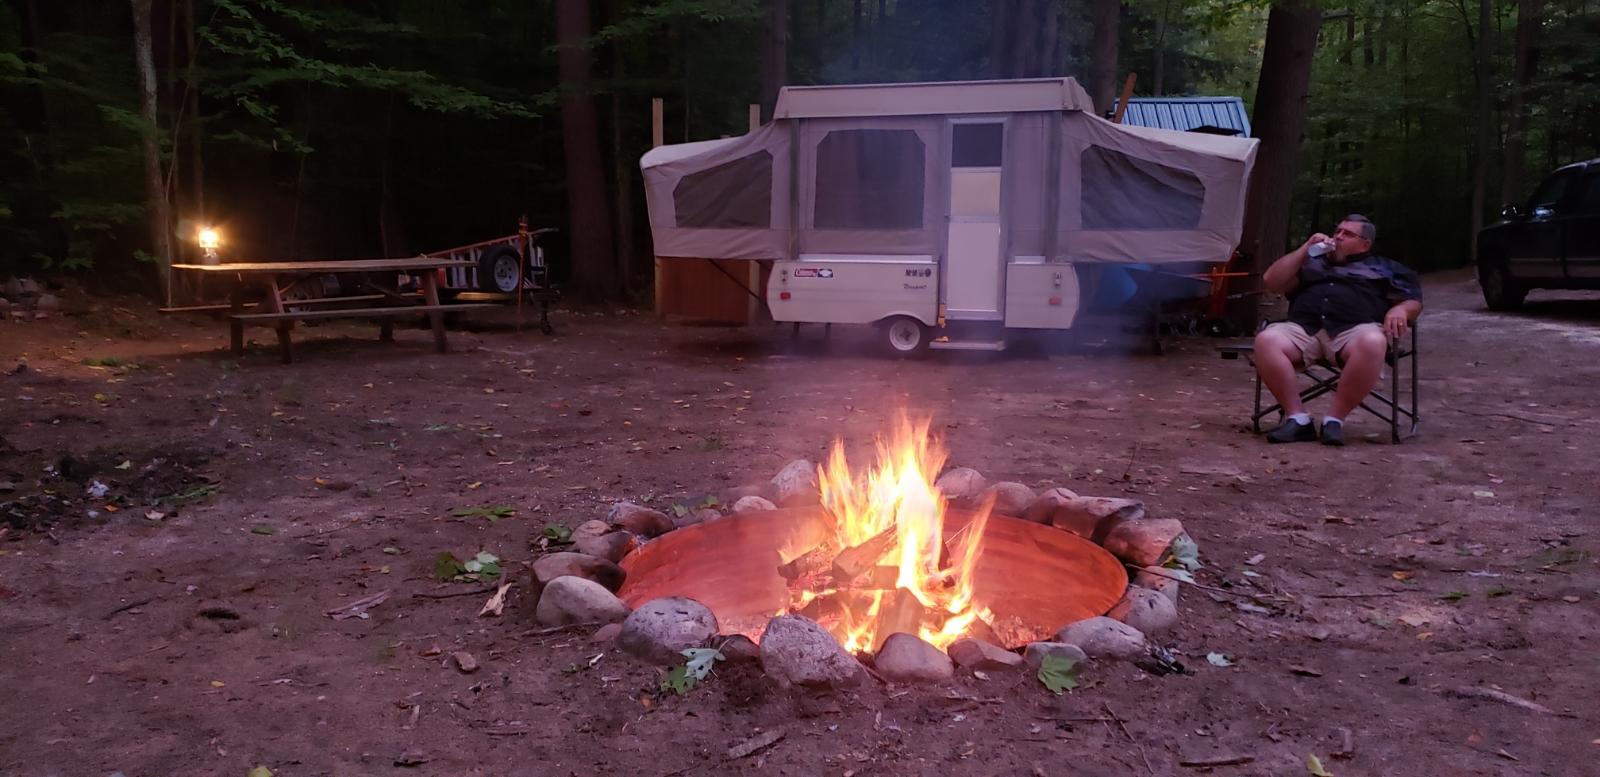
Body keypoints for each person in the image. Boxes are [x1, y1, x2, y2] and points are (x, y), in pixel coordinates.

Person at [1254, 214, 1423, 446]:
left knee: (1374, 341)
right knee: (1267, 339)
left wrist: (1402, 310)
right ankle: (1298, 419)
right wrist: (1306, 249)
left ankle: (1334, 420)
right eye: (1338, 231)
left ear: (1365, 244)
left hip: (1355, 331)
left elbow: (1413, 301)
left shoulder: (1386, 268)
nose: (1339, 237)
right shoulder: (1311, 263)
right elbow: (1272, 281)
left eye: (1348, 234)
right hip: (1305, 330)